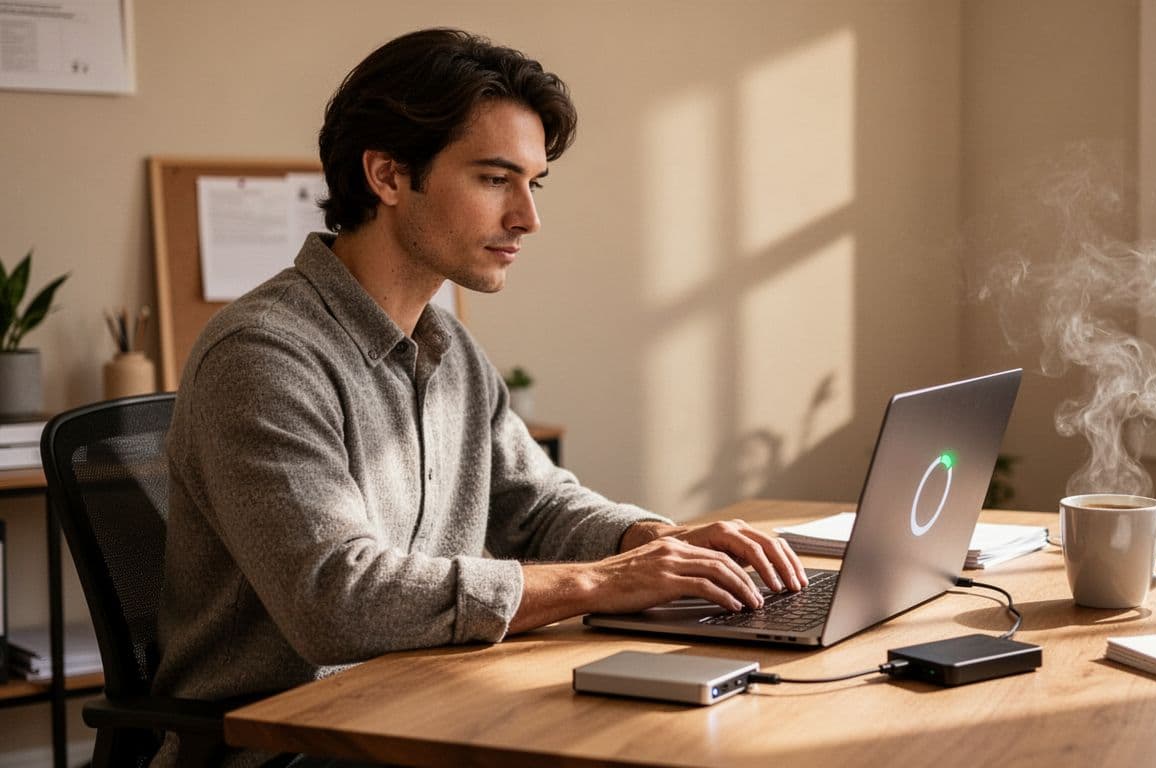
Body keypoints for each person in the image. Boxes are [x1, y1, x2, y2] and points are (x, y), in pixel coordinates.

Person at [151, 27, 807, 767]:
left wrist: (652, 542)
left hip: (427, 704)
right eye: (496, 180)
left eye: (533, 183)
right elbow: (337, 599)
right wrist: (600, 582)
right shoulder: (264, 356)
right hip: (289, 745)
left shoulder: (447, 345)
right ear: (389, 176)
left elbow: (537, 503)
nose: (527, 218)